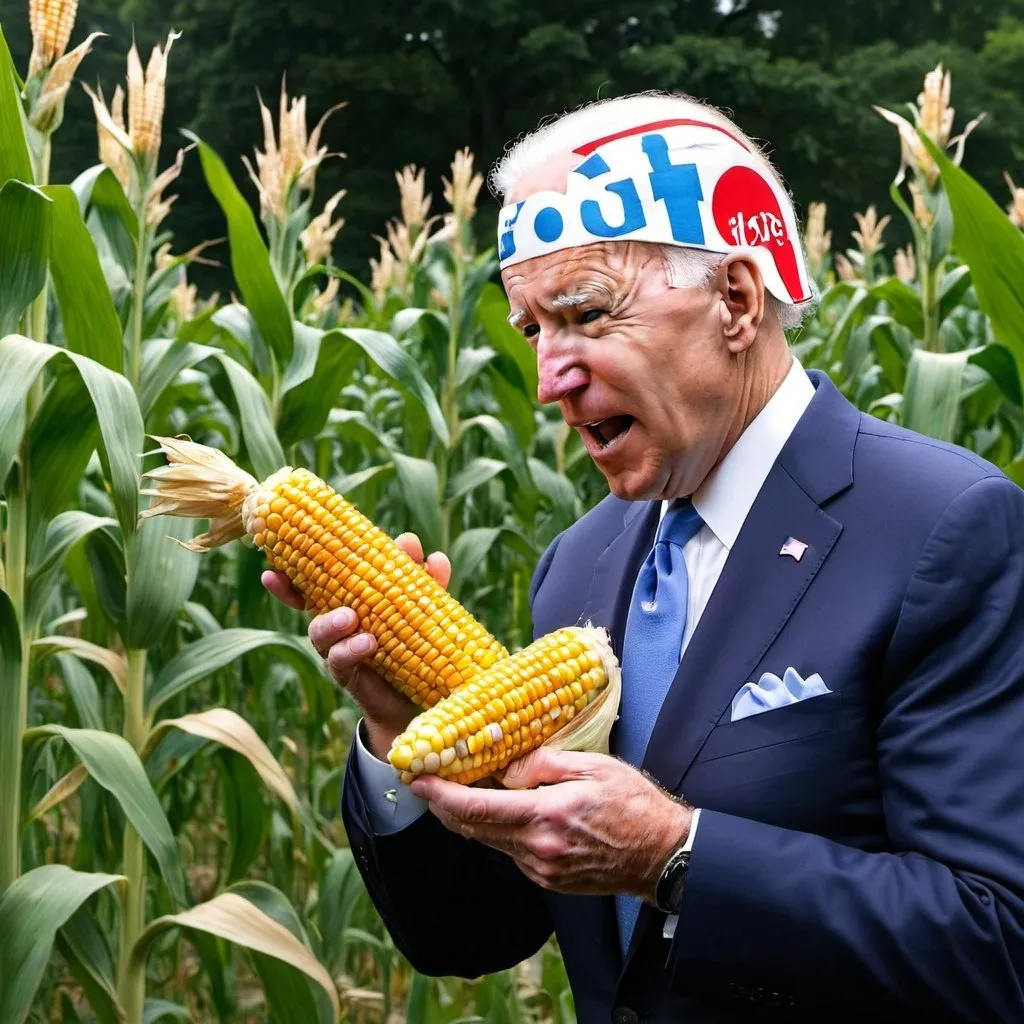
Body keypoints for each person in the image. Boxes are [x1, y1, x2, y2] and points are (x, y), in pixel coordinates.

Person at [264, 92, 1024, 1021]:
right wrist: (397, 734)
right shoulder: (578, 566)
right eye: (533, 330)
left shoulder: (946, 529)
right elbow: (474, 935)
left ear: (736, 301)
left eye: (584, 314)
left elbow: (998, 942)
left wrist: (676, 857)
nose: (549, 379)